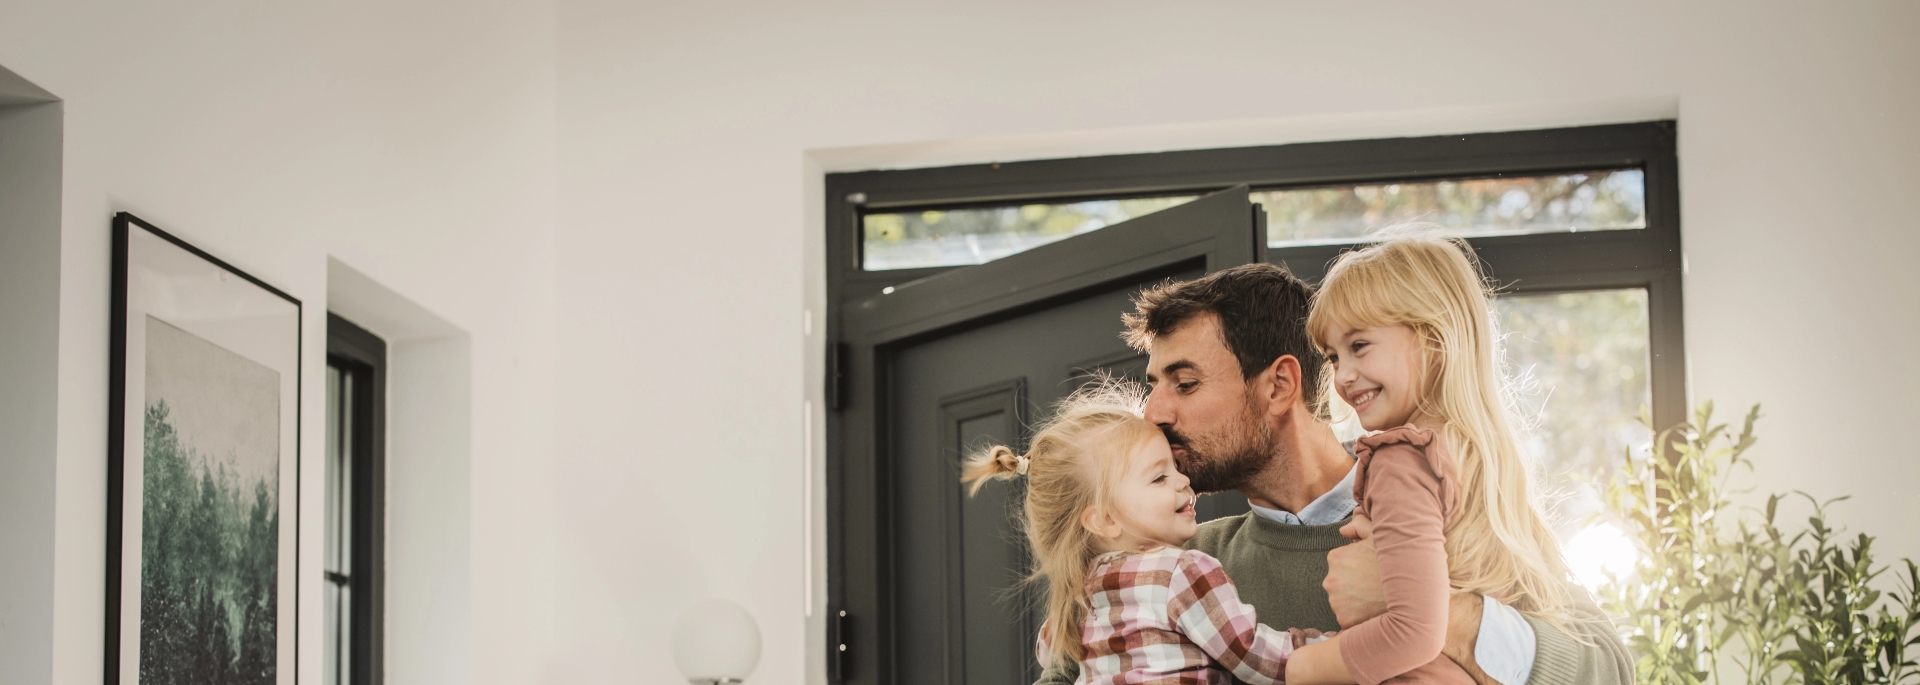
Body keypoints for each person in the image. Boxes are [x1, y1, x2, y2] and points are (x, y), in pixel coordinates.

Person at [1035, 260, 1629, 685]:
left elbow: (1608, 668)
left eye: (1184, 384)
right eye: (1154, 385)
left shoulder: (1456, 504)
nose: (1155, 413)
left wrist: (1433, 607)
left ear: (1280, 385)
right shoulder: (1174, 562)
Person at [1280, 236, 1590, 685]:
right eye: (1333, 357)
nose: (1343, 375)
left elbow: (1414, 632)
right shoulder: (1482, 456)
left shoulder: (1400, 458)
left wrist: (1302, 667)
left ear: (1434, 337)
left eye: (1360, 345)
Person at [964, 382, 1324, 685]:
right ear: (1103, 520)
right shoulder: (1180, 572)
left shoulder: (1082, 593)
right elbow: (1254, 654)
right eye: (1159, 477)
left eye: (1174, 468)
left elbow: (1050, 652)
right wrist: (1340, 647)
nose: (1184, 481)